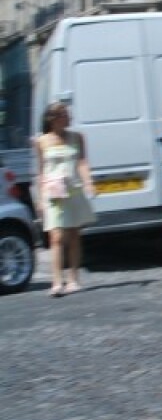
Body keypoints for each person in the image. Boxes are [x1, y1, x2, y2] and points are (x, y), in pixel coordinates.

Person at [34, 102, 96, 296]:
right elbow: (41, 170)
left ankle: (73, 279)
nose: (68, 118)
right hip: (53, 193)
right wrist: (39, 198)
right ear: (53, 119)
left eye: (68, 114)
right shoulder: (41, 141)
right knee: (56, 236)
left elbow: (82, 162)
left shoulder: (77, 137)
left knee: (74, 234)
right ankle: (56, 281)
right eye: (64, 115)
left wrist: (88, 182)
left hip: (72, 190)